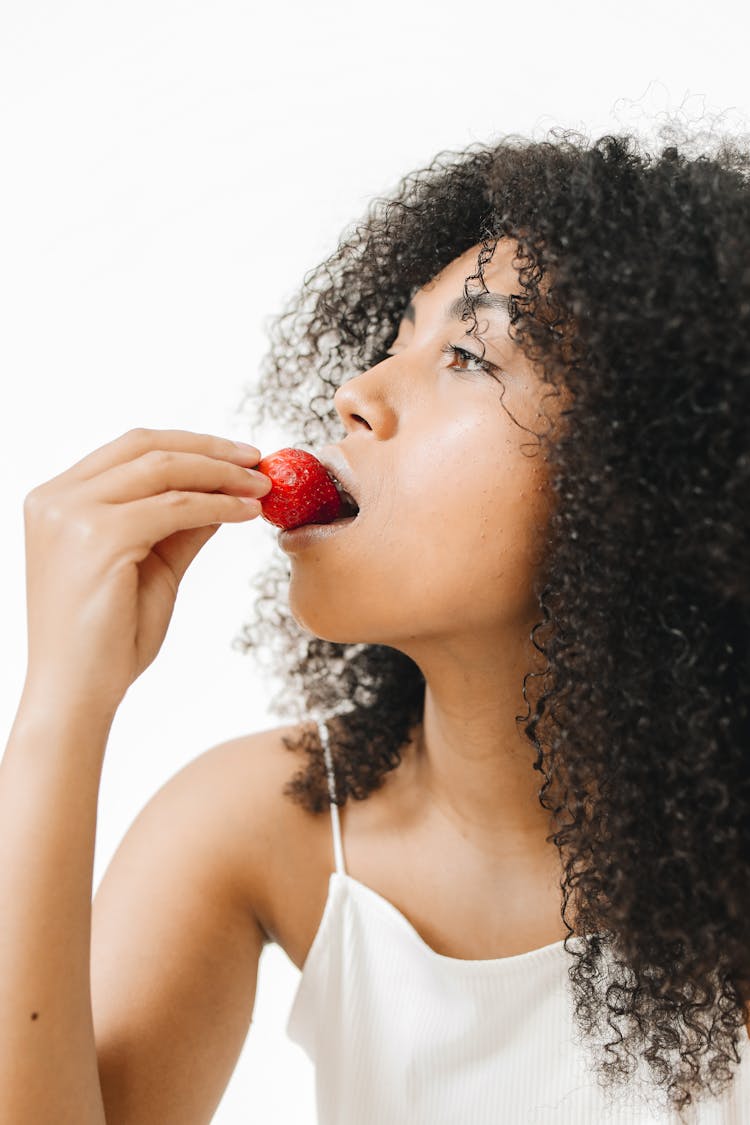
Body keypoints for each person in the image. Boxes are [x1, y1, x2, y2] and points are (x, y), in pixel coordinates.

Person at [1, 120, 748, 1124]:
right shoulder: (258, 826)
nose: (354, 395)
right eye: (395, 340)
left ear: (646, 484)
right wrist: (60, 706)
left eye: (469, 358)